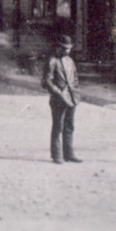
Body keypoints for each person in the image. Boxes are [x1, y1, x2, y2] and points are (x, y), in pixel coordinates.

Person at [41, 34, 80, 164]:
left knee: (70, 126)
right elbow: (46, 81)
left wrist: (76, 92)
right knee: (58, 126)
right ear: (57, 47)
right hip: (58, 99)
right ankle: (57, 155)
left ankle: (69, 153)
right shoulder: (52, 61)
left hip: (72, 97)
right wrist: (58, 92)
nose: (66, 51)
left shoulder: (70, 61)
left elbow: (75, 79)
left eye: (68, 48)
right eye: (63, 48)